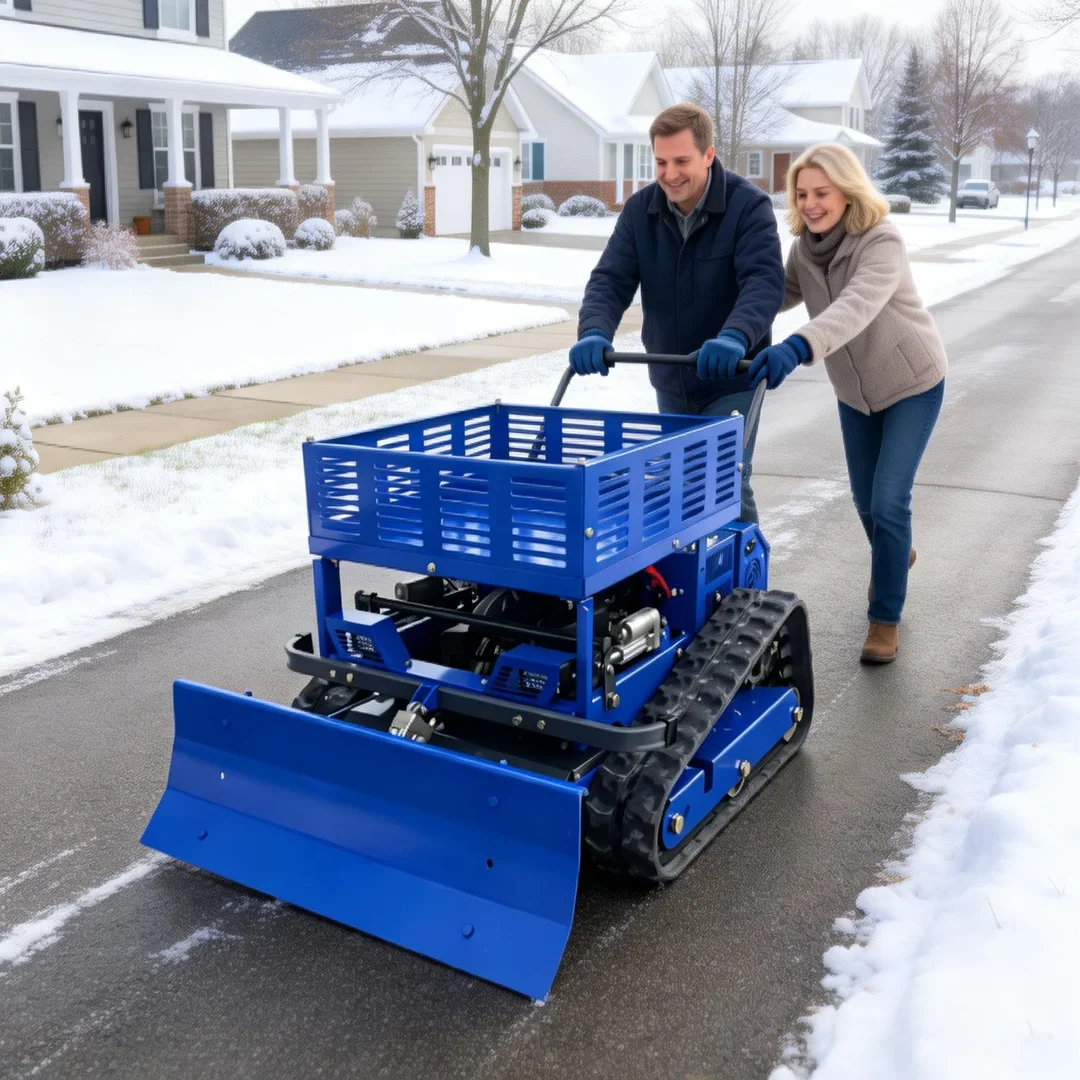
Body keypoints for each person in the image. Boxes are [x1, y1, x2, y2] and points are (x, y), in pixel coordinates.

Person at [748, 142, 947, 664]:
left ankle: (884, 618)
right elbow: (777, 293)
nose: (811, 203)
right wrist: (733, 317)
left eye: (822, 192)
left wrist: (798, 345)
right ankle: (894, 552)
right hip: (854, 393)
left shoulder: (880, 240)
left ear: (846, 190)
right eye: (802, 193)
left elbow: (856, 306)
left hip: (911, 382)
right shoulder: (804, 247)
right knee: (865, 502)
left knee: (887, 500)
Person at [570, 103, 785, 524]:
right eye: (662, 162)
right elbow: (610, 279)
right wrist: (594, 330)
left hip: (731, 377)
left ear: (708, 154)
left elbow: (763, 283)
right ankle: (688, 584)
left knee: (723, 481)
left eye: (682, 161)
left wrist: (735, 336)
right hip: (671, 375)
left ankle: (745, 584)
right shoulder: (641, 211)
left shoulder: (748, 208)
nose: (670, 174)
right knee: (677, 485)